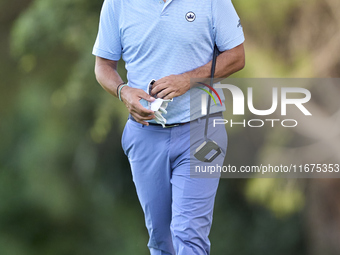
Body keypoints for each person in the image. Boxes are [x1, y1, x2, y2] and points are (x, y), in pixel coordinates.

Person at [93, 0, 245, 254]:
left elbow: (236, 56)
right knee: (162, 240)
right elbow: (103, 66)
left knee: (189, 234)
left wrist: (190, 79)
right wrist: (123, 91)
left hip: (202, 130)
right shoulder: (117, 4)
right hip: (145, 134)